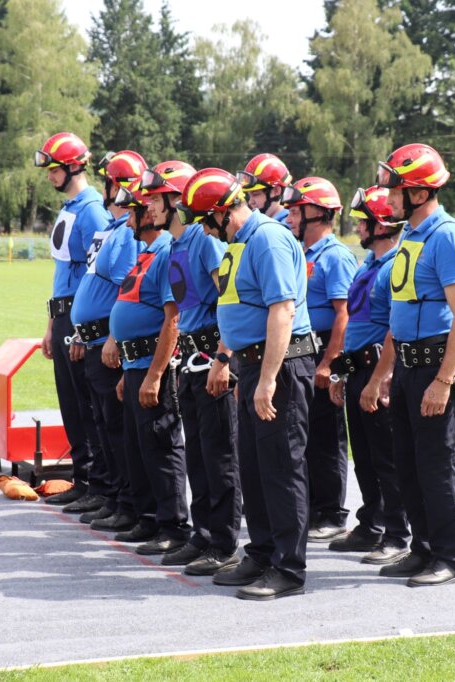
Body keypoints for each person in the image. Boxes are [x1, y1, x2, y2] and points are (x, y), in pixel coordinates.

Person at [177, 168, 315, 601]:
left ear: (222, 212)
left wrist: (268, 379)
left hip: (282, 365)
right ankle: (262, 552)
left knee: (280, 466)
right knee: (253, 467)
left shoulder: (268, 239)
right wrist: (225, 359)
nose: (201, 227)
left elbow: (282, 312)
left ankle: (288, 568)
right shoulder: (239, 244)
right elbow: (237, 309)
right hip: (252, 364)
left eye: (204, 218)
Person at [374, 143, 455, 587]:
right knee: (408, 465)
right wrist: (385, 373)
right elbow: (401, 311)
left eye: (395, 188)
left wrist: (443, 380)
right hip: (407, 370)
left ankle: (451, 557)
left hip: (433, 368)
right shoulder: (411, 237)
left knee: (436, 467)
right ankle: (423, 548)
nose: (388, 196)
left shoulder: (447, 235)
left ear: (418, 192)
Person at [142, 160, 243, 575]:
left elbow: (230, 299)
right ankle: (202, 534)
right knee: (199, 454)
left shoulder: (205, 242)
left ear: (176, 199)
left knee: (219, 455)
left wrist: (223, 358)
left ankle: (224, 542)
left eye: (155, 198)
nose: (147, 207)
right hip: (189, 360)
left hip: (211, 360)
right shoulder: (175, 246)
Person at [326, 186, 410, 565]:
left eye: (365, 221)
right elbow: (355, 328)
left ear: (382, 224)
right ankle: (371, 523)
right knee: (363, 457)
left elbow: (394, 327)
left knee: (386, 458)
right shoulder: (367, 265)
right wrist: (339, 375)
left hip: (377, 372)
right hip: (358, 370)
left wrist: (381, 378)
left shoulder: (394, 265)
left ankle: (396, 533)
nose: (358, 226)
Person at [106, 179, 191, 555]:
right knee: (139, 447)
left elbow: (171, 320)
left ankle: (172, 524)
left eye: (134, 212)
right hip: (135, 363)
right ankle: (149, 518)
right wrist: (128, 370)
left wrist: (156, 374)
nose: (127, 221)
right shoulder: (146, 255)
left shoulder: (168, 255)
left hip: (154, 365)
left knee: (161, 445)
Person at [68, 150, 146, 527]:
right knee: (102, 423)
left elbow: (123, 291)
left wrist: (111, 336)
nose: (107, 189)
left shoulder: (127, 235)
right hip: (95, 339)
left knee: (116, 427)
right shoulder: (112, 230)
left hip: (108, 344)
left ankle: (125, 501)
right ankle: (113, 496)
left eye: (110, 181)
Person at [279, 176, 357, 543]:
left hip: (325, 348)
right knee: (304, 435)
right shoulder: (300, 252)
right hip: (305, 348)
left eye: (297, 210)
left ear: (319, 213)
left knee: (326, 437)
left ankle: (332, 511)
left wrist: (329, 362)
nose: (291, 216)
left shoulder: (335, 256)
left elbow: (344, 313)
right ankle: (309, 506)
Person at [34, 132, 108, 505]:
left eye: (54, 169)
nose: (49, 176)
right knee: (71, 403)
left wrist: (80, 329)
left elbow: (96, 275)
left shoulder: (93, 209)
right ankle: (82, 480)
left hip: (81, 321)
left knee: (87, 403)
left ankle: (97, 484)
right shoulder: (71, 207)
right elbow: (62, 271)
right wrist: (51, 324)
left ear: (73, 167)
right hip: (64, 316)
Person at [236, 153, 291, 224]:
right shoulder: (268, 224)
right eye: (249, 195)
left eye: (255, 194)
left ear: (276, 191)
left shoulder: (290, 228)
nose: (250, 202)